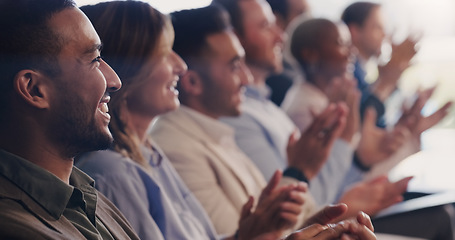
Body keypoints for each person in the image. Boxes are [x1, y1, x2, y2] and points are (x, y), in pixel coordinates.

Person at [76, 2, 313, 240]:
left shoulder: (148, 152)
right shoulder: (114, 172)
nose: (180, 66)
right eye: (163, 54)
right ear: (122, 70)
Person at [283, 17, 455, 239]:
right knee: (443, 216)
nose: (350, 51)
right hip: (335, 214)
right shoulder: (306, 110)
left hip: (349, 205)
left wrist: (406, 136)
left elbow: (355, 169)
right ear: (311, 54)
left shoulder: (328, 100)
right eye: (340, 43)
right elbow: (324, 189)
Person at [0, 0, 140, 239]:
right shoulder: (16, 228)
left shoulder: (84, 194)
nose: (115, 81)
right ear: (34, 90)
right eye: (94, 60)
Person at [265, 0, 312, 106]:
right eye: (301, 14)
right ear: (277, 21)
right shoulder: (284, 82)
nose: (310, 20)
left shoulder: (294, 66)